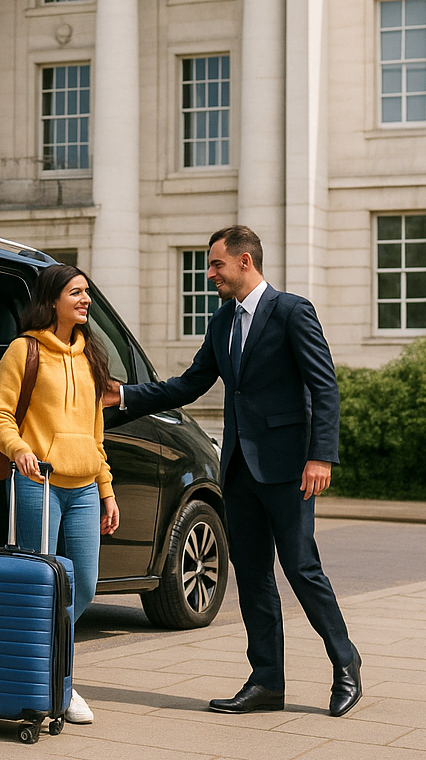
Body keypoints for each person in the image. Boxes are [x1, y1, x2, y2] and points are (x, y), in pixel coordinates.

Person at [104, 226, 361, 716]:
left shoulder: (292, 311)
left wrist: (321, 456)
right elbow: (191, 384)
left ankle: (346, 662)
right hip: (239, 469)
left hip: (289, 469)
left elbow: (323, 387)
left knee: (302, 569)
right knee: (254, 575)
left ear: (245, 261)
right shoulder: (222, 320)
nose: (210, 274)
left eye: (216, 264)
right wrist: (125, 395)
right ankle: (267, 681)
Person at [0, 263, 120, 725]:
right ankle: (50, 680)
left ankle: (43, 666)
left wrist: (106, 490)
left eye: (86, 292)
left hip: (83, 488)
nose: (86, 300)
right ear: (52, 300)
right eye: (76, 292)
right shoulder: (23, 350)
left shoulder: (91, 356)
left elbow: (96, 434)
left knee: (84, 585)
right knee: (38, 587)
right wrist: (19, 449)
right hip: (37, 484)